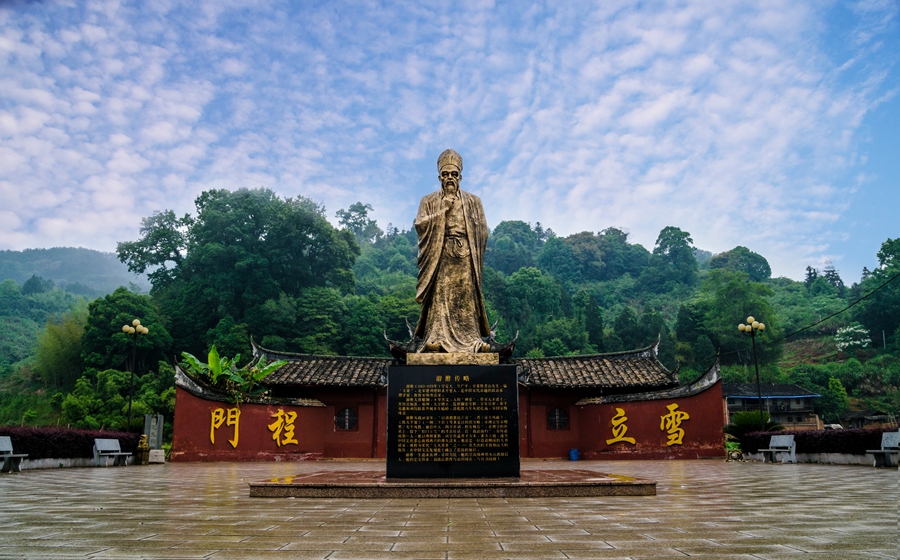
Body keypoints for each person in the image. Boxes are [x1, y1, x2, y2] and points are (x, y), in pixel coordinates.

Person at [414, 149, 491, 353]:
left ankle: (472, 342)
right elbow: (420, 225)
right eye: (445, 174)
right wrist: (444, 210)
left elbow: (482, 229)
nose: (450, 178)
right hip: (440, 254)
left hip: (466, 254)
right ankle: (436, 338)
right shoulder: (428, 200)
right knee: (440, 297)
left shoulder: (474, 201)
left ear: (460, 176)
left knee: (465, 298)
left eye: (454, 174)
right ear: (439, 176)